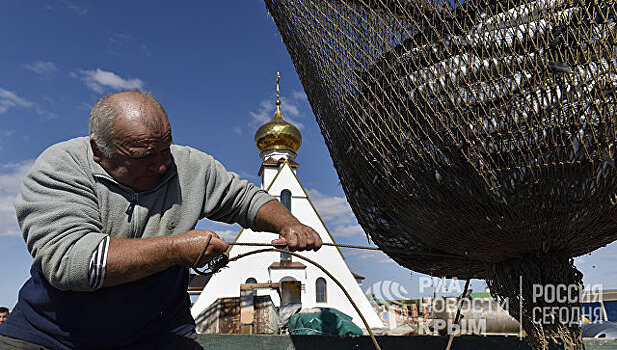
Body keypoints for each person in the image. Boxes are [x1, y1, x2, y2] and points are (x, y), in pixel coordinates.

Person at [0, 90, 322, 349]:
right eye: (143, 156)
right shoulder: (60, 169)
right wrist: (175, 250)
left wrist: (287, 223)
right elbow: (72, 262)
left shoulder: (190, 166)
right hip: (53, 336)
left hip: (158, 335)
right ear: (100, 151)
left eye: (165, 148)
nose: (162, 166)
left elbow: (246, 199)